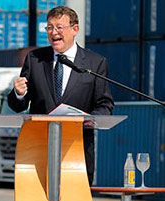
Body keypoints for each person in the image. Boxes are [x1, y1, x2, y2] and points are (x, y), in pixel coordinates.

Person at [7, 6, 114, 184]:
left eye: (59, 27)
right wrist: (18, 93)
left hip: (77, 150)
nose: (53, 32)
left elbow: (105, 105)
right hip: (39, 149)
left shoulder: (95, 63)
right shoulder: (34, 59)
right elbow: (18, 105)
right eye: (49, 27)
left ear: (75, 29)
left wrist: (88, 119)